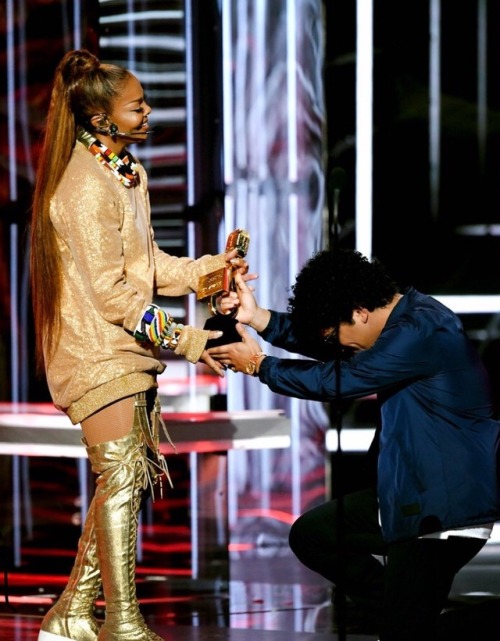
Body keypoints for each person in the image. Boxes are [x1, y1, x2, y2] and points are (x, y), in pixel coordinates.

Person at [30, 49, 248, 641]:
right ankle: (121, 623)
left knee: (120, 483)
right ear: (101, 119)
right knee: (122, 480)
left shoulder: (124, 172)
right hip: (95, 351)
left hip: (126, 351)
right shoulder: (81, 189)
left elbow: (144, 266)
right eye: (137, 105)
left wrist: (211, 272)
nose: (148, 112)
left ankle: (73, 612)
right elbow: (112, 298)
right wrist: (189, 339)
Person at [208, 247, 500, 641]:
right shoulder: (397, 325)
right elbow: (332, 348)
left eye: (337, 333)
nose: (338, 344)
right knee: (314, 535)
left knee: (409, 629)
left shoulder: (422, 331)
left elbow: (336, 379)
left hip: (441, 510)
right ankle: (411, 618)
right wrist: (260, 319)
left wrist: (260, 365)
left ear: (360, 310)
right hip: (406, 495)